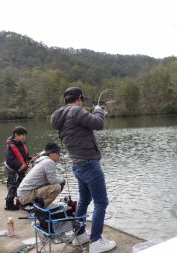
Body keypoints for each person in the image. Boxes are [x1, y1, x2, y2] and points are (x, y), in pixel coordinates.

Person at [50, 87, 115, 253]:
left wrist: (94, 113)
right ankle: (96, 241)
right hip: (89, 164)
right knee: (101, 202)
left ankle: (79, 234)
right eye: (82, 100)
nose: (82, 102)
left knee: (85, 200)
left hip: (77, 164)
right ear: (79, 98)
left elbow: (85, 124)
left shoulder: (61, 116)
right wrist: (99, 111)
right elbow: (98, 124)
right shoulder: (76, 112)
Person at [17, 142, 65, 208]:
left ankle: (34, 205)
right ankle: (39, 208)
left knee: (55, 184)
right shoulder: (49, 162)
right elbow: (53, 181)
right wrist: (63, 180)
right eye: (58, 153)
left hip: (22, 195)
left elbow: (51, 179)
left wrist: (60, 179)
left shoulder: (43, 161)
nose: (59, 155)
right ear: (51, 153)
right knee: (57, 187)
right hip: (25, 197)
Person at [4, 126, 35, 210]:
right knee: (12, 187)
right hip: (13, 170)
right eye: (23, 135)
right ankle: (9, 204)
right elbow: (10, 160)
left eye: (25, 135)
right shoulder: (10, 146)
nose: (24, 137)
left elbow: (25, 156)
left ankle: (21, 202)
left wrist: (31, 158)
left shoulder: (21, 144)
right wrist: (20, 166)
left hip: (21, 170)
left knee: (23, 186)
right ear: (16, 135)